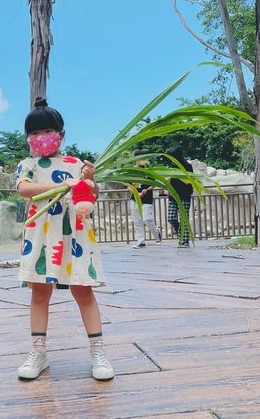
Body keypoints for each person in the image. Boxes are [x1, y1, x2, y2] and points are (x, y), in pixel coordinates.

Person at [14, 97, 114, 381]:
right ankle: (38, 352)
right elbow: (25, 190)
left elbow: (89, 197)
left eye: (46, 131)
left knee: (83, 290)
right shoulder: (27, 165)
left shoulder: (75, 164)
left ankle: (98, 352)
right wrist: (62, 184)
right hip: (41, 233)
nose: (40, 138)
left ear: (59, 134)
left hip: (74, 233)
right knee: (39, 292)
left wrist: (89, 179)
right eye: (33, 133)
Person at [129, 159, 162, 249]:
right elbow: (129, 185)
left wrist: (147, 189)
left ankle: (156, 234)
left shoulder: (149, 171)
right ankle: (141, 241)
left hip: (146, 199)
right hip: (135, 198)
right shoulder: (132, 172)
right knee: (137, 221)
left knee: (147, 219)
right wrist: (136, 193)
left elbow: (154, 183)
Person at [166, 146, 194, 248]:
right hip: (173, 195)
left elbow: (189, 181)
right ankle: (181, 235)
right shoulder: (171, 166)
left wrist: (177, 175)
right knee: (171, 218)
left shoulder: (188, 166)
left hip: (184, 195)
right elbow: (169, 180)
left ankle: (185, 241)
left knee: (183, 218)